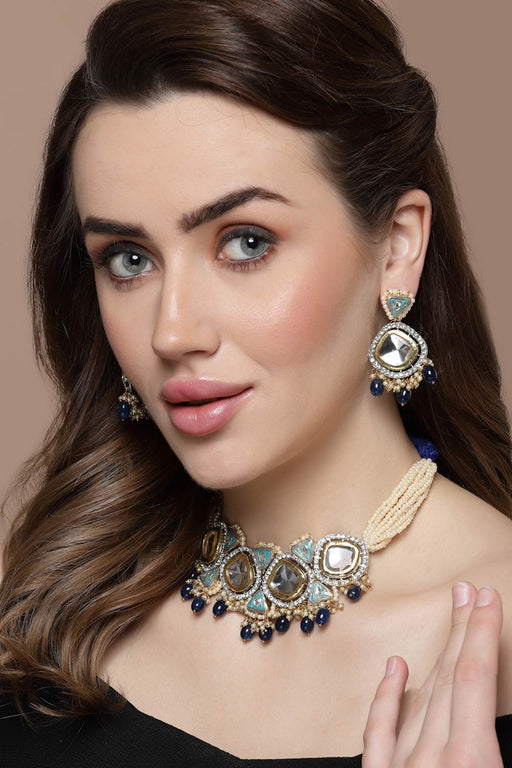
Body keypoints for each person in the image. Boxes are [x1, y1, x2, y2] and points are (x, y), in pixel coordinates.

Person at [1, 0, 511, 765]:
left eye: (245, 243)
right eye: (129, 260)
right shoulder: (54, 619)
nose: (172, 332)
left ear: (397, 247)